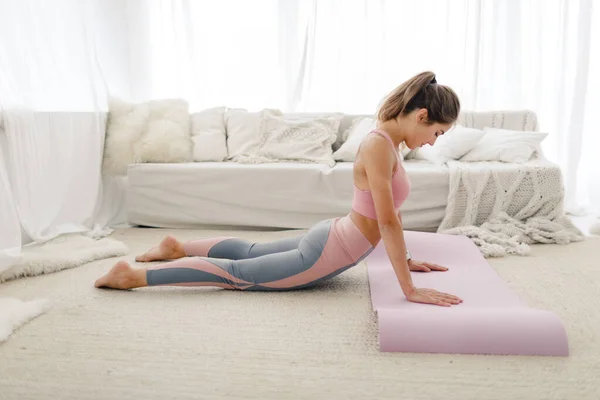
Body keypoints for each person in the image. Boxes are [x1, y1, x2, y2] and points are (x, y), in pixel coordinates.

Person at [95, 71, 463, 307]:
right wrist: (409, 289)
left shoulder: (388, 142)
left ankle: (176, 247)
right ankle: (134, 276)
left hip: (333, 234)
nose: (433, 142)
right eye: (437, 133)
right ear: (421, 116)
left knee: (252, 250)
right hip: (326, 251)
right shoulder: (379, 145)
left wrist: (408, 259)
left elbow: (390, 214)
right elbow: (387, 223)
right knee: (238, 273)